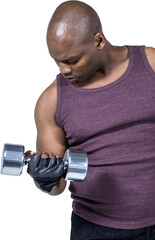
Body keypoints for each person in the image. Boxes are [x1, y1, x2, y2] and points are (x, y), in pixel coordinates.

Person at [27, 1, 155, 239]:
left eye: (72, 60)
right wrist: (46, 179)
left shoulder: (151, 64)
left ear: (98, 41)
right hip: (97, 229)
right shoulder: (51, 101)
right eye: (57, 60)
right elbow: (56, 186)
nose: (64, 70)